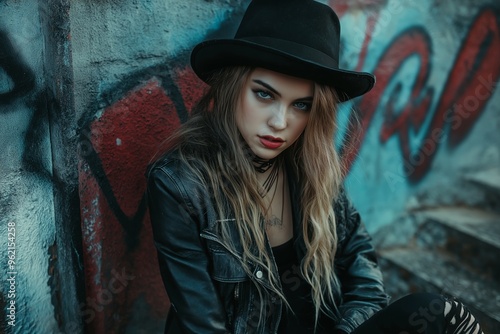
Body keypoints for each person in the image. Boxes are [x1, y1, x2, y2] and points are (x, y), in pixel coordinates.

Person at [147, 0, 484, 333]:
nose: (280, 122)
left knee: (439, 313)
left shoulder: (311, 167)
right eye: (264, 94)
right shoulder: (180, 184)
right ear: (233, 88)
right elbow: (202, 324)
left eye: (301, 105)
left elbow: (362, 270)